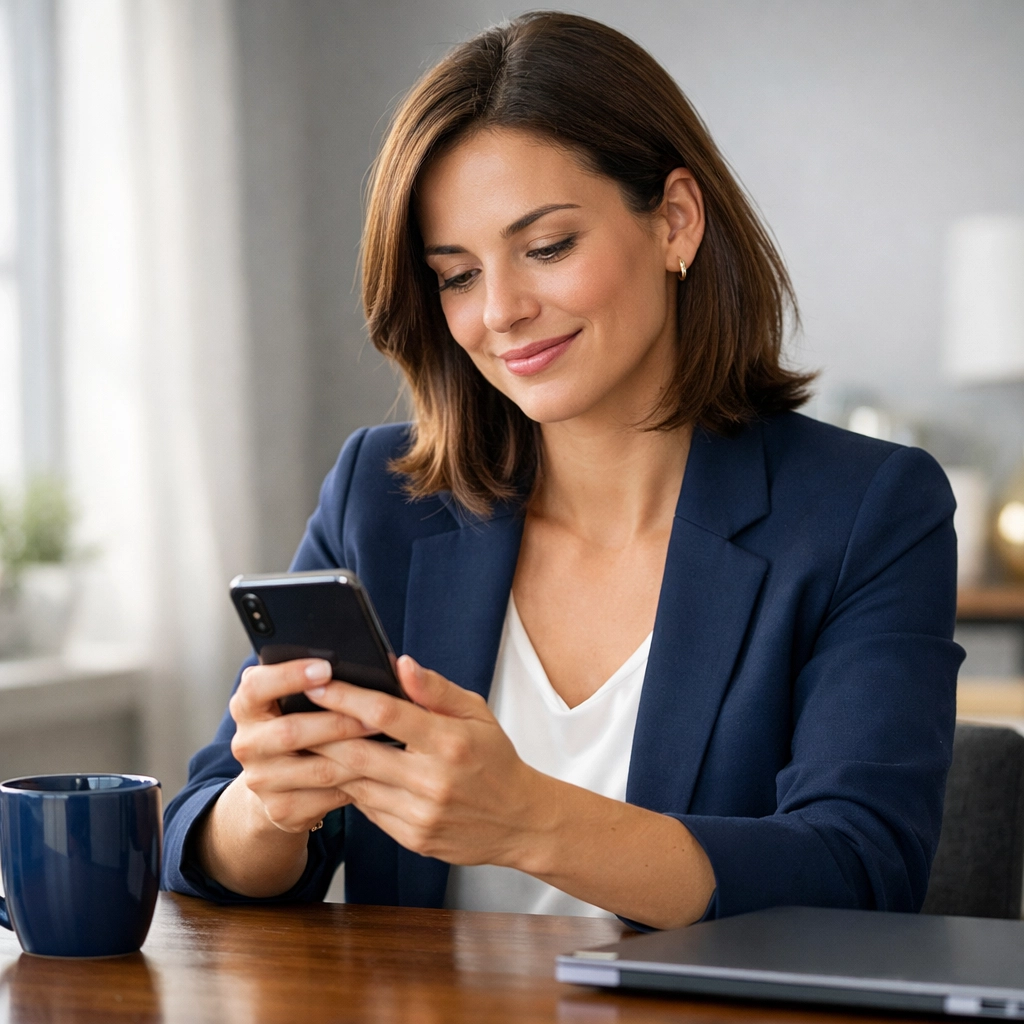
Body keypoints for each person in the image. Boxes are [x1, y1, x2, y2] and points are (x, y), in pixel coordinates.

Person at [163, 11, 962, 930]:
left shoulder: (867, 511)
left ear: (675, 222)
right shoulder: (381, 498)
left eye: (546, 248)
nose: (500, 311)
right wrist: (269, 805)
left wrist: (528, 821)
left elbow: (861, 872)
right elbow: (205, 839)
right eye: (457, 275)